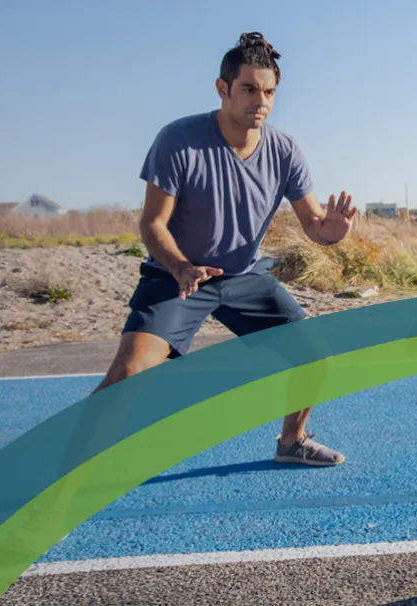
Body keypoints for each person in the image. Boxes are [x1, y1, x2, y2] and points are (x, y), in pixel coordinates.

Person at [94, 31, 359, 467]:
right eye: (250, 89)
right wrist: (180, 266)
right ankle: (52, 487)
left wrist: (333, 231)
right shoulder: (179, 140)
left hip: (244, 277)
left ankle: (291, 442)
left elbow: (315, 225)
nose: (261, 101)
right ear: (223, 89)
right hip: (178, 276)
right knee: (128, 375)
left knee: (314, 357)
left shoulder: (284, 149)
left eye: (270, 92)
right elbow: (152, 223)